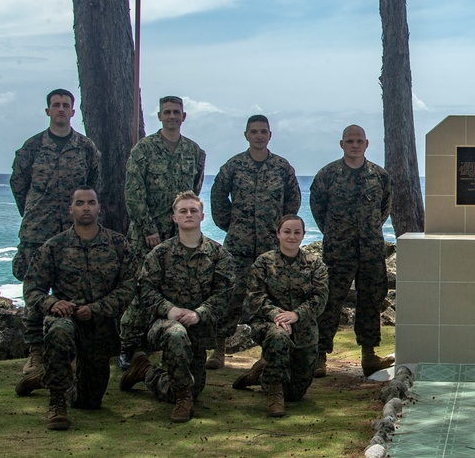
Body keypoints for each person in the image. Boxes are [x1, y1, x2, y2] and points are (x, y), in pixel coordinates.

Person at [15, 187, 135, 430]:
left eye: (91, 202)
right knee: (59, 331)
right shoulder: (54, 247)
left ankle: (46, 375)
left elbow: (130, 286)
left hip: (99, 325)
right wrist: (53, 303)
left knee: (89, 402)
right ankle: (57, 402)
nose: (86, 207)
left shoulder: (117, 244)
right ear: (71, 209)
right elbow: (32, 288)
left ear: (99, 207)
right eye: (80, 203)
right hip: (65, 319)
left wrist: (97, 308)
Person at [119, 191, 233, 423]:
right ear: (174, 218)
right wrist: (169, 310)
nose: (188, 214)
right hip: (163, 325)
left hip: (199, 328)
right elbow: (145, 289)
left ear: (202, 216)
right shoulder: (160, 254)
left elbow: (224, 293)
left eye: (193, 211)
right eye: (183, 211)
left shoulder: (219, 255)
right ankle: (182, 400)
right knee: (176, 334)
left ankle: (145, 371)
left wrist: (200, 313)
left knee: (194, 389)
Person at [10, 88, 100, 376]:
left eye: (66, 105)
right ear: (47, 110)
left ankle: (66, 350)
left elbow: (94, 187)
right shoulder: (32, 147)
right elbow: (18, 184)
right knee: (33, 288)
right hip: (38, 229)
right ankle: (35, 352)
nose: (61, 109)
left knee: (71, 287)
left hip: (73, 231)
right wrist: (34, 211)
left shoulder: (86, 148)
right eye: (55, 105)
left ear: (73, 112)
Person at [208, 114, 302, 369]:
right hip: (239, 244)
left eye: (263, 131)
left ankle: (269, 351)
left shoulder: (282, 167)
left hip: (272, 247)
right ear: (246, 135)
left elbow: (293, 201)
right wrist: (229, 224)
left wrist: (281, 229)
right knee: (230, 294)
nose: (259, 135)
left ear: (270, 135)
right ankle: (218, 348)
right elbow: (217, 194)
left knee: (273, 297)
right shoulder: (234, 165)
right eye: (254, 131)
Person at [119, 96, 206, 368]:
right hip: (147, 234)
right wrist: (148, 229)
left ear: (183, 116)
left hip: (179, 235)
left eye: (176, 112)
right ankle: (129, 346)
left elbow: (194, 194)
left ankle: (171, 342)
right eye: (167, 112)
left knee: (178, 288)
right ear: (159, 116)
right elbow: (133, 193)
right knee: (140, 288)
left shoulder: (195, 152)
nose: (172, 116)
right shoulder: (143, 149)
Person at [310, 124, 395, 378]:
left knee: (370, 301)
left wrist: (367, 232)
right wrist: (335, 233)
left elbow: (384, 209)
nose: (354, 145)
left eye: (359, 141)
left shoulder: (380, 176)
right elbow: (318, 209)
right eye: (350, 141)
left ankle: (369, 356)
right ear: (342, 144)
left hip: (370, 251)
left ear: (367, 144)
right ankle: (319, 357)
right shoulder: (328, 175)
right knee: (330, 302)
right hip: (338, 252)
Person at [231, 215, 328, 416]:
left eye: (296, 232)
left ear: (303, 235)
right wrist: (277, 315)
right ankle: (274, 395)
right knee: (278, 336)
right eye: (287, 232)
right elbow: (255, 297)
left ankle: (259, 374)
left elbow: (320, 297)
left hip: (303, 329)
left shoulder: (314, 264)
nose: (291, 236)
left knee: (295, 393)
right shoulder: (264, 263)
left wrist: (296, 315)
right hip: (268, 324)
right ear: (278, 234)